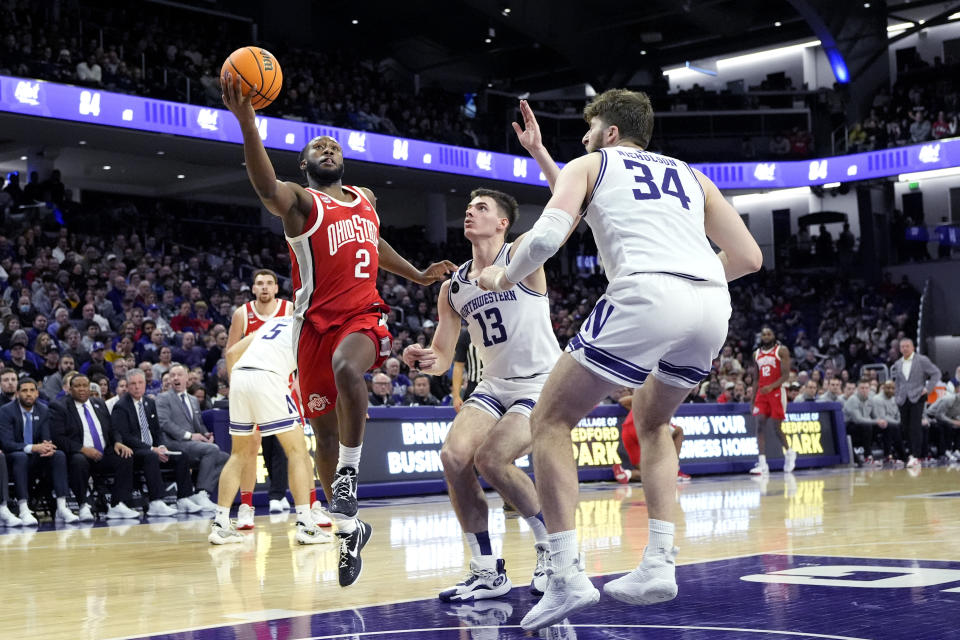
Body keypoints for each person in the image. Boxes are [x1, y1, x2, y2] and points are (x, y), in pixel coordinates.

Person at [476, 89, 761, 630]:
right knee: (653, 422)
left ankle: (564, 574)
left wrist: (500, 275)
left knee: (550, 420)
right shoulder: (691, 177)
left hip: (645, 295)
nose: (582, 141)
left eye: (588, 131)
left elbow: (545, 240)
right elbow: (749, 257)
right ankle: (659, 562)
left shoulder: (591, 161)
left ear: (608, 133)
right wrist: (540, 156)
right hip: (710, 305)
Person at [222, 73, 456, 586]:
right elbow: (264, 186)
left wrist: (415, 274)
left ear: (343, 161)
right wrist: (247, 124)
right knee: (321, 437)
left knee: (349, 367)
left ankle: (349, 473)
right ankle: (348, 526)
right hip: (313, 327)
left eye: (333, 144)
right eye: (316, 147)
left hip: (362, 316)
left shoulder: (365, 197)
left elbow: (375, 244)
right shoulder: (303, 204)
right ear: (305, 167)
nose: (328, 146)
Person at [402, 179, 560, 603]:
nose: (471, 212)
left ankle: (554, 553)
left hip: (541, 382)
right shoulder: (453, 287)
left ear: (502, 222)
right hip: (493, 386)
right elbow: (442, 353)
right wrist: (423, 356)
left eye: (482, 207)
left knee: (493, 458)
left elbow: (564, 215)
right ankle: (487, 569)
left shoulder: (521, 256)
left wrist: (540, 153)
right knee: (454, 456)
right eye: (469, 207)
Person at [209, 316, 331, 546]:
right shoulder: (315, 326)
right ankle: (306, 525)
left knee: (239, 455)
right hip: (268, 377)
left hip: (241, 376)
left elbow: (232, 352)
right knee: (298, 450)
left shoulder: (277, 321)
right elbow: (315, 372)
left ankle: (221, 524)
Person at [225, 269, 298, 529]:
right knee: (248, 448)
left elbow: (301, 350)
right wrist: (237, 388)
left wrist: (299, 382)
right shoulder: (242, 314)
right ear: (253, 289)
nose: (264, 287)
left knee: (294, 448)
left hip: (284, 386)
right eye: (259, 284)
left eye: (269, 283)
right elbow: (230, 353)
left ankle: (307, 506)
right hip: (254, 386)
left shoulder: (290, 309)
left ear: (276, 288)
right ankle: (246, 506)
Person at [49, 373, 141, 521]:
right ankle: (83, 505)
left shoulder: (98, 403)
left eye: (85, 386)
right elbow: (58, 438)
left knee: (125, 456)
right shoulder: (60, 406)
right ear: (70, 389)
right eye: (77, 386)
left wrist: (117, 442)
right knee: (78, 460)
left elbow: (113, 429)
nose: (82, 389)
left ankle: (118, 504)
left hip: (103, 452)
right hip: (79, 454)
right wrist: (83, 449)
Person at [111, 370, 203, 516]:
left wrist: (161, 446)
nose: (137, 387)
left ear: (145, 385)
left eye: (140, 383)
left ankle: (184, 498)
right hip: (135, 450)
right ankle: (156, 502)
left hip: (153, 448)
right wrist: (152, 449)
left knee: (181, 456)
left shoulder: (150, 402)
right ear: (127, 386)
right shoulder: (121, 406)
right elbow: (125, 437)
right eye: (133, 384)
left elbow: (157, 431)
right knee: (151, 456)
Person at [0, 378, 79, 524]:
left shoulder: (43, 410)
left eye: (32, 390)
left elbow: (46, 437)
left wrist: (47, 447)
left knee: (58, 455)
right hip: (13, 459)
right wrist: (32, 447)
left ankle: (62, 508)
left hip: (35, 458)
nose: (28, 394)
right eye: (24, 390)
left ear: (37, 393)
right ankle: (23, 508)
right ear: (17, 393)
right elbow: (7, 443)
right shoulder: (6, 411)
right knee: (20, 456)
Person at [156, 364, 228, 510]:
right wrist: (190, 436)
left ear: (187, 378)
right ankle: (202, 493)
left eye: (179, 375)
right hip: (173, 443)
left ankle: (201, 493)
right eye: (172, 375)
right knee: (211, 450)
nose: (175, 378)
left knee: (225, 457)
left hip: (193, 444)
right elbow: (164, 423)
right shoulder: (163, 398)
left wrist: (206, 435)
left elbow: (199, 424)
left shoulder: (193, 400)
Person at [749, 327, 797, 475]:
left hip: (776, 391)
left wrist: (771, 386)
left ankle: (789, 453)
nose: (766, 336)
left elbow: (785, 375)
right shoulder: (756, 354)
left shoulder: (781, 351)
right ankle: (762, 463)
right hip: (762, 393)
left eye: (769, 333)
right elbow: (756, 379)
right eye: (763, 334)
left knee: (777, 427)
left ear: (773, 335)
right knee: (760, 426)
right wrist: (752, 400)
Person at [612, 392, 688, 484]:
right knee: (679, 431)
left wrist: (639, 399)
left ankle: (627, 474)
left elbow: (622, 401)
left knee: (647, 473)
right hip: (644, 429)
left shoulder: (645, 398)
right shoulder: (661, 400)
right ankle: (675, 469)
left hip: (627, 432)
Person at [890, 338, 940, 467]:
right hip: (903, 398)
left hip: (917, 396)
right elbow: (898, 381)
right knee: (905, 427)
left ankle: (915, 456)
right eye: (902, 347)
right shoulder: (898, 363)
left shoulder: (922, 360)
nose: (905, 349)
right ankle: (911, 453)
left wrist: (928, 389)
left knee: (915, 427)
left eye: (907, 346)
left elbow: (936, 373)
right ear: (900, 349)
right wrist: (897, 396)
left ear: (913, 347)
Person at [871, 380, 907, 464]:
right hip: (878, 424)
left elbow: (898, 413)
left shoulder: (894, 399)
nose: (890, 390)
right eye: (888, 388)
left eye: (893, 388)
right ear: (883, 388)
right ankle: (891, 455)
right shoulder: (877, 399)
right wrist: (897, 423)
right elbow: (882, 416)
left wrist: (899, 422)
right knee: (892, 427)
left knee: (905, 426)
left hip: (893, 424)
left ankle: (914, 454)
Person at [451, 328, 483, 412]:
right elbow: (458, 365)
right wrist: (456, 396)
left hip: (500, 386)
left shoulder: (505, 329)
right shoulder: (466, 335)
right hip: (474, 387)